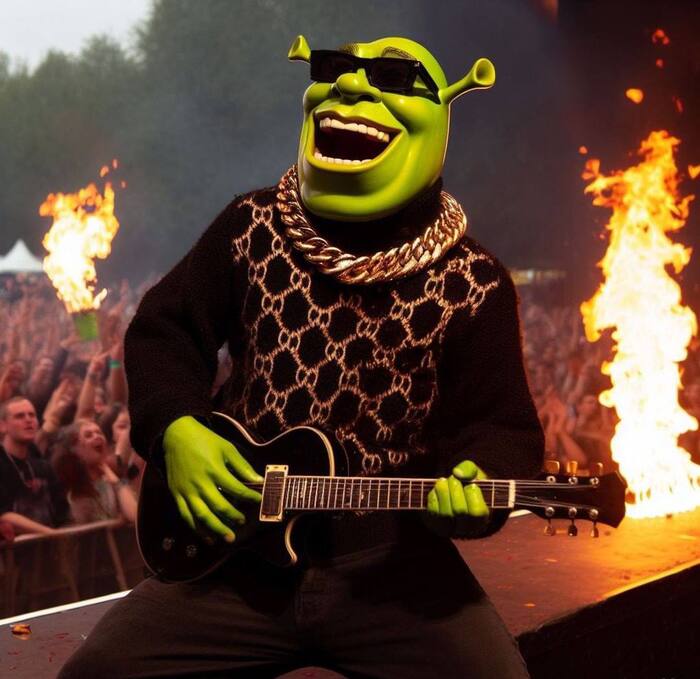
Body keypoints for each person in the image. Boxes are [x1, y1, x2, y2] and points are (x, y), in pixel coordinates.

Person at [60, 36, 543, 678]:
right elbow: (164, 330)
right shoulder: (251, 227)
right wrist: (176, 426)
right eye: (334, 69)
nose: (351, 87)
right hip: (238, 556)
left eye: (392, 77)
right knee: (95, 673)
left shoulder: (475, 282)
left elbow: (502, 424)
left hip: (393, 567)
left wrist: (481, 478)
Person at [0, 396, 70, 534]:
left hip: (49, 544)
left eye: (32, 415)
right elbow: (2, 514)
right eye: (19, 416)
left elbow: (62, 510)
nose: (28, 420)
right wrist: (50, 533)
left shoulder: (43, 466)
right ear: (2, 426)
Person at [52, 419, 137, 524]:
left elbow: (135, 515)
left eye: (99, 432)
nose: (97, 436)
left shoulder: (111, 478)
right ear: (75, 450)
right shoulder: (74, 492)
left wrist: (113, 478)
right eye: (88, 435)